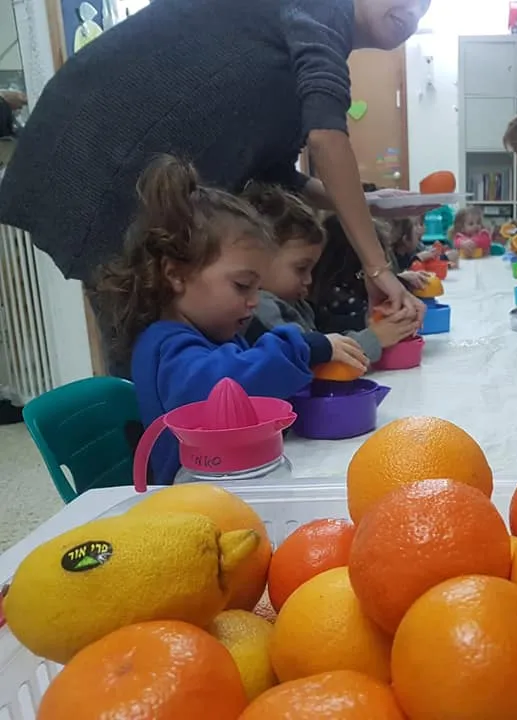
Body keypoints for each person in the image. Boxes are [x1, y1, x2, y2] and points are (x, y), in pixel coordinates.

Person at [0, 0, 432, 322]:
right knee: (151, 326)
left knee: (158, 325)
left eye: (425, 7)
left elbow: (277, 173)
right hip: (100, 154)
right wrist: (376, 265)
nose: (413, 11)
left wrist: (366, 204)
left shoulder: (301, 44)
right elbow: (326, 137)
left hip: (125, 165)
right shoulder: (325, 7)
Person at [94, 156, 366, 484]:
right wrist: (305, 348)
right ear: (176, 274)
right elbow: (226, 383)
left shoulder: (215, 333)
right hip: (189, 500)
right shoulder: (166, 346)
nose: (254, 301)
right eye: (241, 285)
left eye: (257, 287)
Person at [240, 184, 371, 373]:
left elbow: (327, 329)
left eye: (312, 270)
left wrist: (367, 321)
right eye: (301, 268)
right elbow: (310, 357)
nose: (309, 280)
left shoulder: (296, 303)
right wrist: (375, 339)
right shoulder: (262, 309)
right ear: (257, 260)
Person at [310, 215, 422, 363]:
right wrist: (373, 330)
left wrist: (401, 282)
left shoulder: (354, 284)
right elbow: (328, 334)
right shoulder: (336, 297)